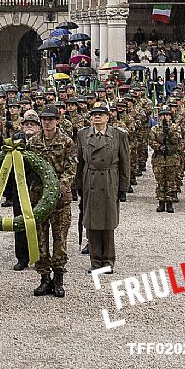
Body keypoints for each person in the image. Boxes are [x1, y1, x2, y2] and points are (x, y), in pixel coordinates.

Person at [28, 104, 77, 297]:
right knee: (40, 238)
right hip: (38, 198)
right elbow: (28, 167)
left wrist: (59, 186)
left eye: (51, 119)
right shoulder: (32, 143)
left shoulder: (66, 142)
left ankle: (58, 280)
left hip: (59, 199)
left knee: (60, 239)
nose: (47, 122)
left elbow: (71, 169)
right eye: (44, 119)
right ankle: (44, 278)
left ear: (57, 120)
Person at [75, 101, 129, 273]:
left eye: (101, 113)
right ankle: (95, 261)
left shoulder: (118, 135)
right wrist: (77, 184)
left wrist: (123, 188)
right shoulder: (83, 135)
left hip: (109, 180)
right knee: (91, 222)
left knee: (107, 222)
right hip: (90, 179)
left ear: (108, 116)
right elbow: (79, 162)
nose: (97, 116)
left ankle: (108, 261)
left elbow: (125, 163)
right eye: (94, 114)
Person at [149, 106, 184, 214]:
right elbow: (151, 141)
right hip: (159, 158)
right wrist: (159, 147)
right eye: (163, 115)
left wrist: (169, 132)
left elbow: (177, 140)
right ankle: (161, 201)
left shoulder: (175, 127)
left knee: (171, 181)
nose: (165, 117)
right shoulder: (154, 129)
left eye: (167, 115)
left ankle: (169, 202)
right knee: (160, 181)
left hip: (171, 158)